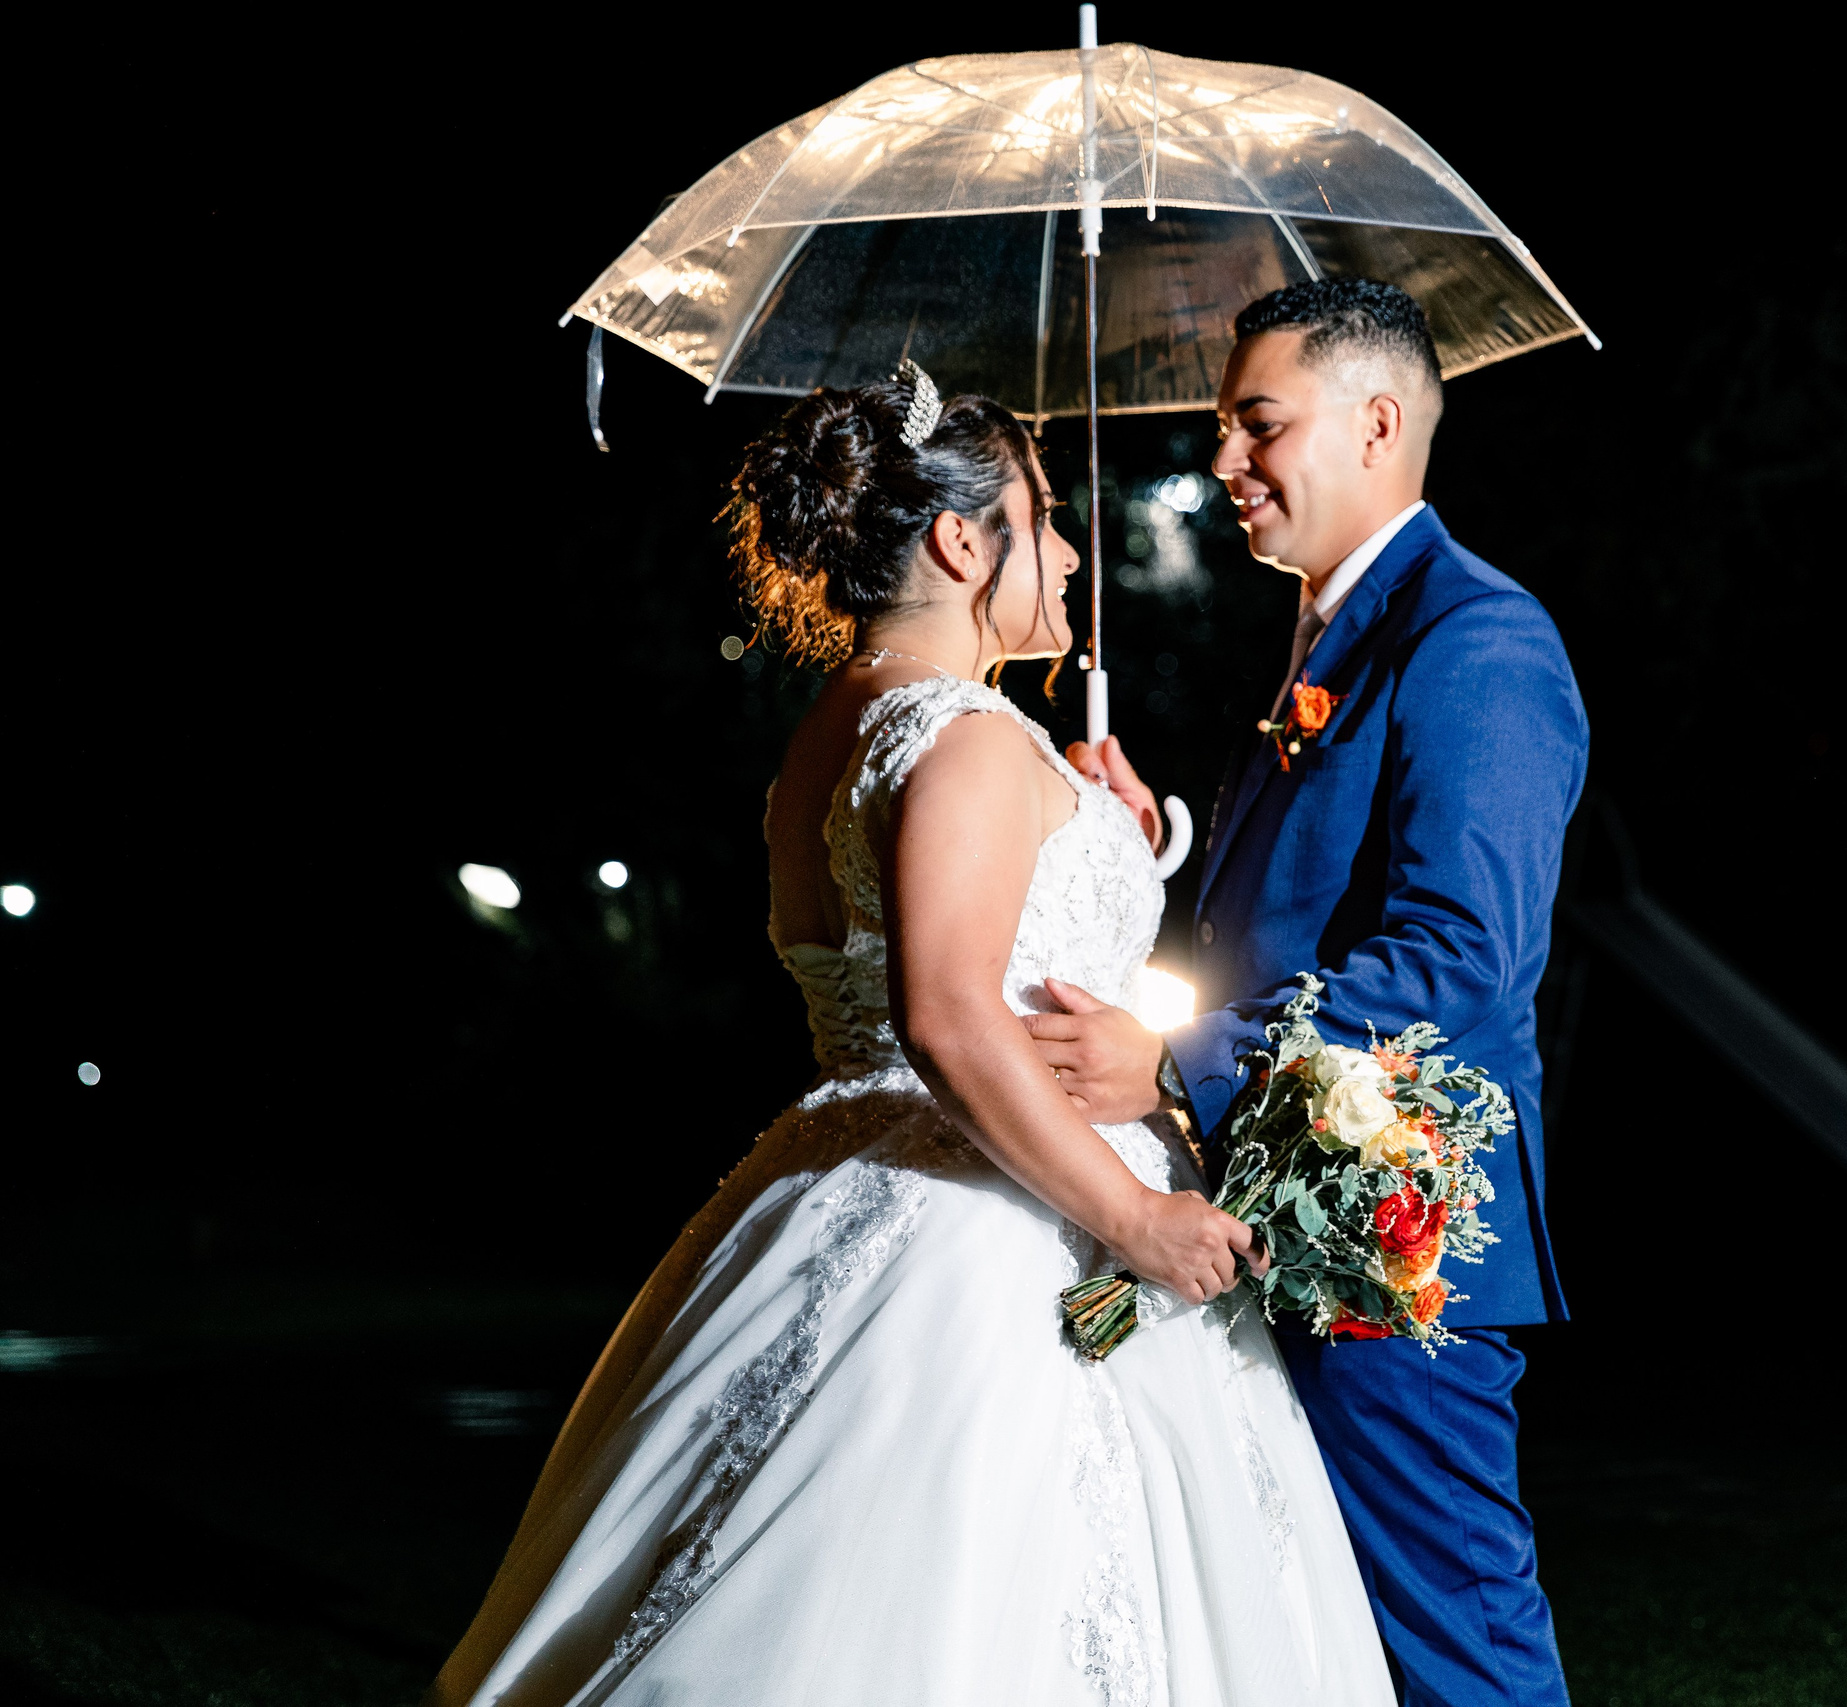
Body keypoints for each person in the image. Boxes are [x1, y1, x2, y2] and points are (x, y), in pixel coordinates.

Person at [427, 369, 1394, 1707]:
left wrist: (1103, 825)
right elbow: (946, 1013)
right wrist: (1134, 1216)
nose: (1069, 554)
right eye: (1042, 520)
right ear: (957, 541)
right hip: (1007, 1215)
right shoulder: (971, 739)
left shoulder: (834, 736)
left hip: (840, 1176)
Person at [1028, 281, 1587, 1707]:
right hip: (1283, 1209)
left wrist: (1180, 1065)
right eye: (1228, 425)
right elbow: (1286, 920)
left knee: (1456, 1648)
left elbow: (1458, 958)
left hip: (1394, 1230)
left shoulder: (1477, 639)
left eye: (1257, 424)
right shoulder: (1331, 631)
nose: (1225, 458)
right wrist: (1134, 849)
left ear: (1377, 424)